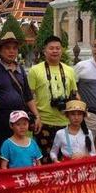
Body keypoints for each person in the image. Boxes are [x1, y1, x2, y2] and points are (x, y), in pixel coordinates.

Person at [28, 35, 78, 163]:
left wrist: (81, 109)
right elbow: (29, 97)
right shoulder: (35, 70)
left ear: (62, 50)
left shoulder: (69, 70)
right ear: (45, 51)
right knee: (43, 160)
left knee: (65, 159)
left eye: (58, 48)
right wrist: (36, 117)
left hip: (65, 122)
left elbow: (74, 93)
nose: (55, 51)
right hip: (44, 122)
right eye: (51, 48)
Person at [0, 32, 41, 142]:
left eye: (14, 48)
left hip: (19, 118)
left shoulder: (20, 69)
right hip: (0, 119)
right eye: (7, 48)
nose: (11, 51)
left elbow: (28, 95)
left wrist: (37, 116)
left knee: (18, 147)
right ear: (0, 51)